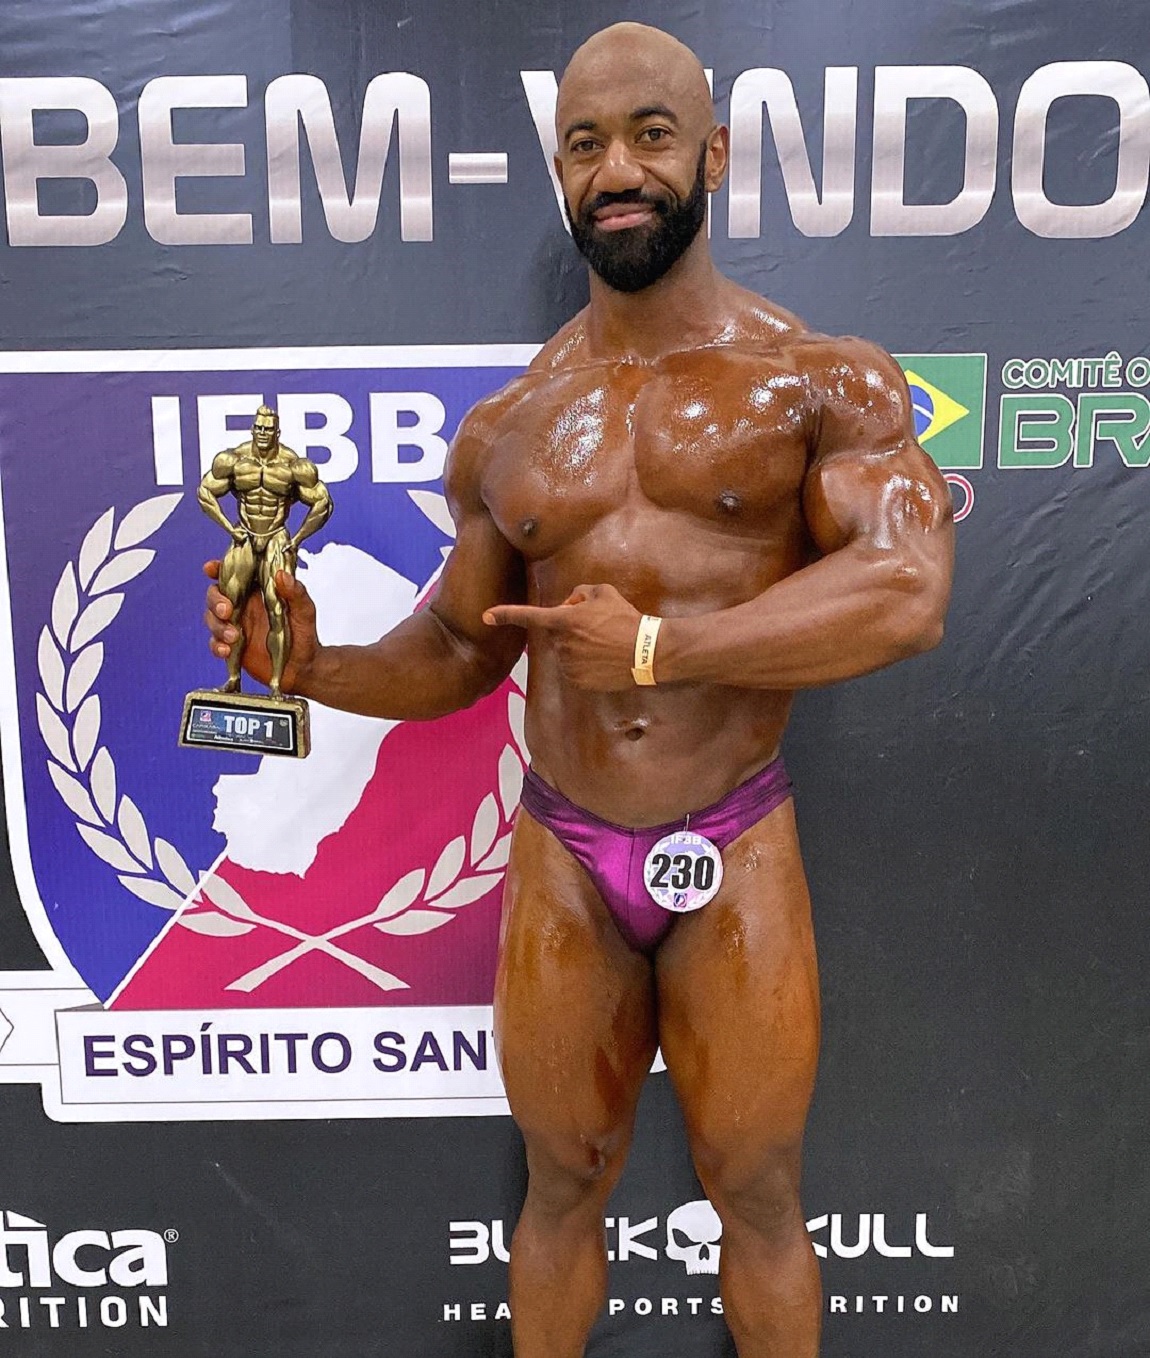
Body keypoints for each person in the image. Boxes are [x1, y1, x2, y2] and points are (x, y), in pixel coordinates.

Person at [204, 22, 953, 1357]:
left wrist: (662, 649)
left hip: (733, 833)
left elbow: (906, 591)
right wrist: (306, 664)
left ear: (712, 155)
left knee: (757, 1190)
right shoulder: (511, 425)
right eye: (584, 145)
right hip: (565, 848)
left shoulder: (819, 381)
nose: (617, 170)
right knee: (559, 1180)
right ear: (558, 173)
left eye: (651, 137)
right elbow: (459, 647)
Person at [197, 404, 332, 698]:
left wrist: (297, 538)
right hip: (244, 535)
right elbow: (205, 492)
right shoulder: (234, 460)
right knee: (231, 609)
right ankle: (233, 679)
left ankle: (276, 684)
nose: (262, 433)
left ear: (277, 433)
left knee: (277, 609)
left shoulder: (292, 466)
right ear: (252, 429)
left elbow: (323, 503)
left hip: (276, 538)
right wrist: (228, 528)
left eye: (268, 429)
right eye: (258, 428)